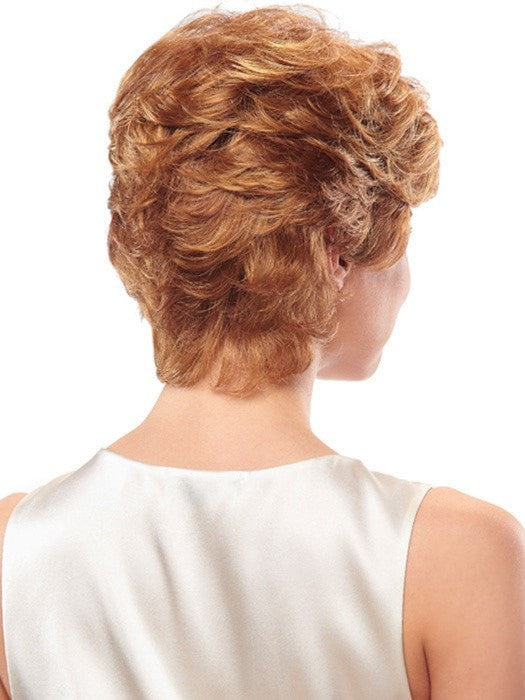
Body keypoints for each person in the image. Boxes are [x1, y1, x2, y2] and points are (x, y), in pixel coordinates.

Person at [1, 5, 524, 699]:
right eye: (402, 242)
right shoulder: (456, 553)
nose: (407, 281)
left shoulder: (16, 548)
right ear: (336, 253)